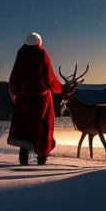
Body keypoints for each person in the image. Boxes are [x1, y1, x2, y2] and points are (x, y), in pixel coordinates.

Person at [7, 32, 64, 165]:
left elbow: (14, 78)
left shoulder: (21, 54)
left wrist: (16, 95)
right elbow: (49, 78)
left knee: (25, 126)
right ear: (39, 42)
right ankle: (42, 156)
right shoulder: (41, 53)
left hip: (23, 98)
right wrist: (61, 89)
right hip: (41, 99)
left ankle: (24, 156)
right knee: (43, 126)